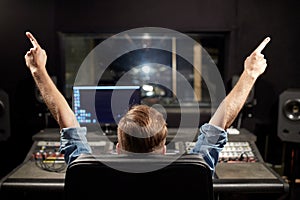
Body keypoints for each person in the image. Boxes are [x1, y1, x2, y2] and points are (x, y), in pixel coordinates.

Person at [24, 31, 270, 175]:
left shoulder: (84, 168)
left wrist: (38, 71)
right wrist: (250, 74)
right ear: (164, 148)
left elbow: (65, 120)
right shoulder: (195, 168)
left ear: (118, 147)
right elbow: (222, 122)